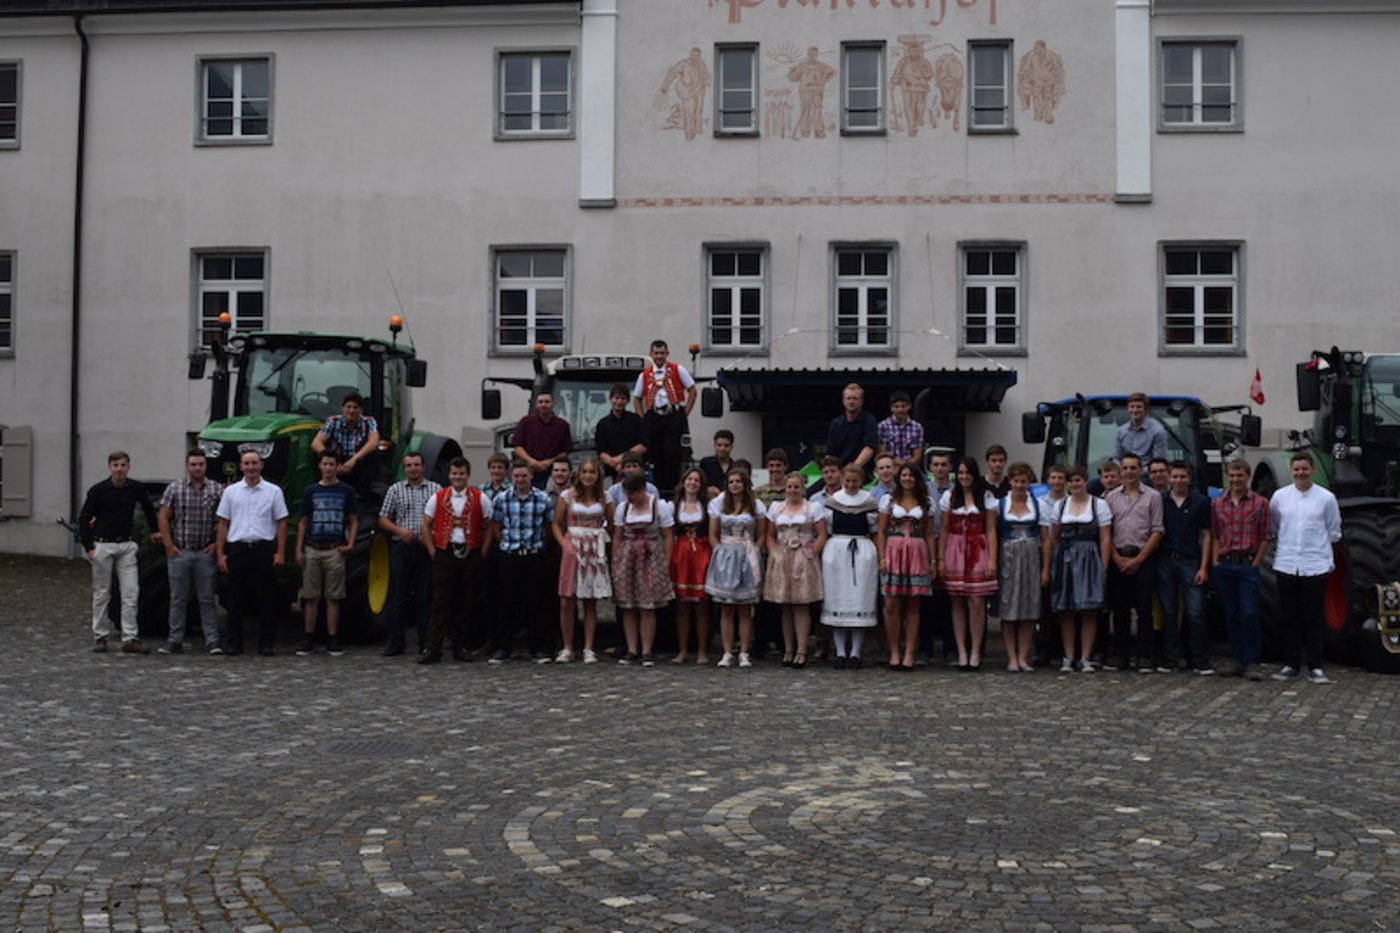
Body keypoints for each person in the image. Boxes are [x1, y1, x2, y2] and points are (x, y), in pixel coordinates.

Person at [1269, 454, 1342, 684]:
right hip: (1287, 563)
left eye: (1304, 468)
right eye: (1297, 469)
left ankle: (1316, 665)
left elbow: (1333, 531)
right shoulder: (1280, 497)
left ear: (1312, 469)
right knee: (1290, 616)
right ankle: (1291, 664)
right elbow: (1274, 526)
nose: (1301, 473)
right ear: (1292, 471)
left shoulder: (1326, 498)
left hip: (1315, 564)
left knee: (1313, 617)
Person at [81, 450, 161, 654]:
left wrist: (154, 530)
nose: (119, 469)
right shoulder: (98, 490)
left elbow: (149, 508)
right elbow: (84, 518)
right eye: (116, 466)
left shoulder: (135, 488)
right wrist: (89, 547)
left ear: (128, 467)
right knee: (101, 594)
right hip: (103, 545)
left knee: (131, 593)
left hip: (125, 546)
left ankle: (130, 638)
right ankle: (100, 636)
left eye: (123, 465)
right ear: (110, 467)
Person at [215, 450, 289, 656]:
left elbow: (281, 522)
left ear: (261, 465)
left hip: (263, 549)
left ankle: (266, 643)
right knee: (234, 599)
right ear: (241, 467)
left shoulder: (274, 491)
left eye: (254, 463)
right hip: (238, 548)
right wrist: (220, 553)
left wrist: (280, 552)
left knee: (266, 599)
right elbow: (223, 523)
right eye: (247, 463)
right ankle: (234, 643)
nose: (251, 467)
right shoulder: (231, 492)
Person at [420, 457, 489, 664]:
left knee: (466, 601)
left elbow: (490, 527)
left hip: (470, 552)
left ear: (468, 475)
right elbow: (425, 525)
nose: (458, 477)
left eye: (461, 474)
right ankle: (434, 648)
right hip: (445, 551)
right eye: (454, 474)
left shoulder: (480, 498)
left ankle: (461, 646)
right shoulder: (438, 497)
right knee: (440, 602)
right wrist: (433, 551)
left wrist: (482, 552)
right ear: (449, 475)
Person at [1046, 465, 1113, 673]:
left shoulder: (1099, 505)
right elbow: (1054, 537)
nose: (1075, 484)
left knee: (1088, 611)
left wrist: (1103, 565)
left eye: (1078, 480)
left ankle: (1085, 657)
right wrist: (1052, 563)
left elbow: (1105, 538)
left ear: (1085, 481)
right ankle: (1068, 656)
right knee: (1066, 611)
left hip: (1089, 558)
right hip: (1066, 558)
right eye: (1071, 481)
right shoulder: (1061, 505)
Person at [487, 461, 555, 662]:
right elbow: (496, 525)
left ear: (531, 476)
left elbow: (549, 527)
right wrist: (505, 545)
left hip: (534, 555)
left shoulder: (543, 499)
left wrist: (541, 545)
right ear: (511, 477)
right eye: (516, 476)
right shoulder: (502, 499)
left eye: (524, 475)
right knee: (506, 603)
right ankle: (503, 648)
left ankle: (538, 648)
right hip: (510, 555)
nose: (520, 480)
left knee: (536, 603)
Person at [156, 449, 223, 655]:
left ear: (206, 466)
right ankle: (174, 640)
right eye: (193, 464)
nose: (197, 468)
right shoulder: (175, 488)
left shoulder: (216, 489)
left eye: (201, 464)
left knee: (207, 599)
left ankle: (212, 641)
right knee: (177, 599)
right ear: (187, 466)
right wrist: (168, 545)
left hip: (204, 552)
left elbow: (224, 519)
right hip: (180, 552)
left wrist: (217, 545)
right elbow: (163, 516)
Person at [1211, 458, 1271, 681]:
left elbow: (1265, 536)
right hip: (1226, 564)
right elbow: (1215, 534)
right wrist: (1215, 561)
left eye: (1240, 475)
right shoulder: (1217, 503)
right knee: (1232, 614)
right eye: (1232, 475)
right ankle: (1237, 659)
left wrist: (1256, 562)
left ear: (1248, 477)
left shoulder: (1260, 503)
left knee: (1249, 613)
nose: (1235, 479)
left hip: (1247, 564)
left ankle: (1252, 661)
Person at [294, 451, 358, 657]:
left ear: (337, 466)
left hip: (334, 549)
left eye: (332, 464)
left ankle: (332, 637)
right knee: (310, 596)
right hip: (313, 548)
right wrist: (299, 548)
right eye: (325, 464)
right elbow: (303, 521)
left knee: (334, 597)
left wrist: (351, 543)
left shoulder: (346, 490)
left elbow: (353, 519)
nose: (328, 468)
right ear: (320, 467)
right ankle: (308, 637)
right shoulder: (311, 491)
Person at [377, 451, 441, 657]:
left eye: (416, 464)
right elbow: (383, 519)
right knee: (399, 597)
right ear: (404, 469)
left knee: (425, 597)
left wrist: (429, 535)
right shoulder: (395, 490)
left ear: (423, 467)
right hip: (401, 548)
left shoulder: (436, 490)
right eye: (409, 465)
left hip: (425, 549)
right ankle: (396, 642)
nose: (413, 468)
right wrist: (400, 531)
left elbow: (442, 519)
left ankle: (425, 642)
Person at [1104, 453, 1164, 672]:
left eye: (1133, 468)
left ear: (1141, 471)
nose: (1129, 472)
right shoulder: (1110, 498)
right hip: (1118, 557)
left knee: (1144, 609)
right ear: (1120, 472)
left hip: (1143, 558)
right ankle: (1121, 655)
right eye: (1125, 468)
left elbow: (1157, 531)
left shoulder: (1153, 497)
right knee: (1119, 610)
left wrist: (1139, 559)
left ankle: (1145, 656)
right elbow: (1106, 532)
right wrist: (1116, 558)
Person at [940, 457, 998, 670]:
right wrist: (941, 558)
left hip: (978, 549)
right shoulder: (950, 496)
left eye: (968, 473)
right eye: (961, 473)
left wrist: (992, 558)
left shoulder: (986, 496)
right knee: (957, 601)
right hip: (955, 548)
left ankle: (975, 651)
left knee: (976, 602)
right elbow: (945, 529)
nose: (964, 477)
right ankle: (961, 651)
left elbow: (991, 529)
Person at [612, 473, 676, 665]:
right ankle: (632, 649)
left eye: (632, 494)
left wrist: (666, 562)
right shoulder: (623, 508)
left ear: (642, 490)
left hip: (650, 557)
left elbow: (668, 536)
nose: (629, 498)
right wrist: (616, 560)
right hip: (628, 557)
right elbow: (617, 536)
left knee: (647, 606)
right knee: (628, 605)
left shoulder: (659, 506)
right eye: (627, 494)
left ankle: (647, 650)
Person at [706, 468, 766, 668]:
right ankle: (726, 651)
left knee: (745, 608)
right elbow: (713, 533)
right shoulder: (719, 504)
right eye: (731, 481)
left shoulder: (755, 505)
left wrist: (754, 552)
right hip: (726, 555)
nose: (735, 485)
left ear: (745, 483)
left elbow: (762, 533)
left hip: (747, 554)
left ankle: (744, 652)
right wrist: (720, 553)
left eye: (738, 481)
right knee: (726, 608)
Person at [876, 462, 935, 670]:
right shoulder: (889, 500)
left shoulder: (926, 501)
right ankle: (894, 651)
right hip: (894, 550)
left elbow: (929, 533)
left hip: (917, 552)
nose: (907, 479)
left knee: (913, 604)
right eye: (904, 475)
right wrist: (882, 557)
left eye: (911, 475)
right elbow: (881, 530)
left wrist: (933, 560)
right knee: (891, 604)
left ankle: (909, 652)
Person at [1158, 460, 1214, 675]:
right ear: (1169, 478)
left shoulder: (1201, 502)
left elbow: (1206, 535)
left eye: (1183, 477)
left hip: (1191, 561)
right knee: (1169, 612)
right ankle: (1170, 659)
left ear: (1189, 478)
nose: (1179, 481)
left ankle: (1200, 660)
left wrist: (1204, 567)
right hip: (1165, 561)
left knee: (1196, 612)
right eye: (1175, 476)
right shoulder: (1160, 501)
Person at [765, 472, 826, 669]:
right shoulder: (777, 508)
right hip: (783, 557)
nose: (792, 490)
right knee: (786, 605)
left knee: (801, 604)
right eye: (789, 487)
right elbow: (770, 535)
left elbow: (821, 534)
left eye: (796, 487)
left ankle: (801, 649)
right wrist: (775, 553)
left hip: (803, 557)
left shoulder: (812, 508)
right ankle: (788, 649)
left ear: (803, 488)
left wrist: (811, 553)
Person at [821, 464, 880, 668]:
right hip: (837, 552)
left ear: (861, 481)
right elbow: (826, 528)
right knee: (837, 599)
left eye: (855, 481)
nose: (851, 485)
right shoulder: (833, 502)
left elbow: (875, 529)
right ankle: (839, 652)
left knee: (859, 599)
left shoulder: (869, 501)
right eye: (847, 481)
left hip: (862, 551)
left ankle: (855, 652)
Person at [553, 458, 612, 664]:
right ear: (578, 474)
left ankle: (588, 647)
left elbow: (612, 523)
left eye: (592, 472)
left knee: (590, 599)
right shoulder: (567, 495)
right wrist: (564, 544)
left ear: (597, 476)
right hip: (573, 544)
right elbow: (556, 524)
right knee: (567, 599)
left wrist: (602, 540)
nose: (588, 476)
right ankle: (568, 646)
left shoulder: (605, 497)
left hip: (594, 547)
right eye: (585, 472)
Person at [997, 463, 1048, 672]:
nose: (1019, 485)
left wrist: (1045, 568)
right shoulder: (1000, 504)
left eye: (1023, 481)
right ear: (1010, 481)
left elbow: (1045, 539)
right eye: (1016, 481)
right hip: (1007, 556)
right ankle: (1011, 657)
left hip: (1030, 557)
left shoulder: (1039, 504)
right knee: (1008, 607)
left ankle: (1023, 656)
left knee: (1029, 608)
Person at [632, 339, 697, 492]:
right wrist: (643, 419)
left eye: (662, 353)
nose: (659, 356)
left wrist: (684, 413)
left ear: (667, 354)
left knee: (672, 452)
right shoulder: (644, 375)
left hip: (673, 414)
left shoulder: (678, 369)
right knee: (654, 453)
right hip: (654, 416)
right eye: (656, 353)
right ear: (651, 355)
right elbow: (637, 398)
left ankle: (672, 488)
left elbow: (693, 390)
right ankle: (657, 487)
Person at [670, 468, 714, 664]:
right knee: (682, 606)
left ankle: (702, 650)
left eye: (696, 480)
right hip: (681, 553)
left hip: (701, 552)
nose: (693, 483)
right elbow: (670, 533)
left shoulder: (707, 505)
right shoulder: (674, 505)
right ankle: (682, 650)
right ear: (683, 482)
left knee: (702, 606)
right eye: (689, 479)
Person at [920, 449, 956, 667]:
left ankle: (950, 648)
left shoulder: (956, 490)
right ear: (930, 468)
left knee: (949, 600)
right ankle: (925, 648)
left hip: (952, 546)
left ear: (949, 467)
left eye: (944, 465)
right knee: (926, 600)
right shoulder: (924, 491)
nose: (940, 469)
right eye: (936, 465)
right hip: (927, 546)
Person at [311, 391, 380, 491]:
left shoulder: (369, 422)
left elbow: (373, 442)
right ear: (342, 408)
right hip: (337, 460)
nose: (351, 411)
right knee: (315, 456)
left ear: (361, 410)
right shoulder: (333, 421)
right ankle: (321, 488)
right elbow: (316, 443)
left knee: (374, 455)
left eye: (355, 407)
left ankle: (364, 493)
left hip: (358, 462)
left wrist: (353, 460)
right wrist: (331, 461)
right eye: (348, 407)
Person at [513, 390, 573, 489]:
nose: (543, 405)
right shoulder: (526, 422)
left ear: (553, 403)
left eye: (547, 402)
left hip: (552, 474)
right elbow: (517, 447)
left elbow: (566, 451)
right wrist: (532, 462)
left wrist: (549, 462)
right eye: (540, 402)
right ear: (536, 404)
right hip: (527, 472)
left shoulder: (562, 425)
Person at [595, 383, 647, 481]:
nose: (619, 402)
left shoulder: (636, 420)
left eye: (623, 398)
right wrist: (614, 464)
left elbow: (643, 446)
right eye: (616, 398)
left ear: (627, 401)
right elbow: (601, 451)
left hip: (634, 471)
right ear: (610, 399)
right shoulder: (602, 424)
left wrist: (622, 462)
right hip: (610, 472)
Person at [826, 383, 878, 474]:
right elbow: (830, 454)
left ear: (861, 401)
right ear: (843, 401)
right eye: (848, 398)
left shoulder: (869, 421)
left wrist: (853, 469)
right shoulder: (835, 424)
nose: (851, 401)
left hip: (861, 471)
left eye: (855, 398)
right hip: (838, 472)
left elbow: (869, 449)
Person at [1114, 392, 1168, 463]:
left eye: (1138, 407)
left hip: (1148, 472)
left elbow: (1158, 462)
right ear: (1128, 409)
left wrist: (1137, 472)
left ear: (1146, 410)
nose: (1135, 410)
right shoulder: (1120, 432)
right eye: (1132, 407)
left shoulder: (1157, 432)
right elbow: (1117, 458)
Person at [878, 391, 924, 463]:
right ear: (891, 408)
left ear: (909, 406)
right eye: (896, 407)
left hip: (910, 468)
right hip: (889, 466)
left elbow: (917, 456)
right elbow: (882, 454)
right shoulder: (883, 426)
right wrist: (896, 464)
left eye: (903, 406)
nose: (900, 410)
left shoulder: (917, 427)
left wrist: (905, 466)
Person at [698, 429, 735, 498]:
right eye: (719, 445)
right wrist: (707, 489)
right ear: (714, 446)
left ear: (731, 447)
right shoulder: (706, 463)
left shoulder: (735, 466)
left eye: (726, 445)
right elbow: (698, 482)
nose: (722, 449)